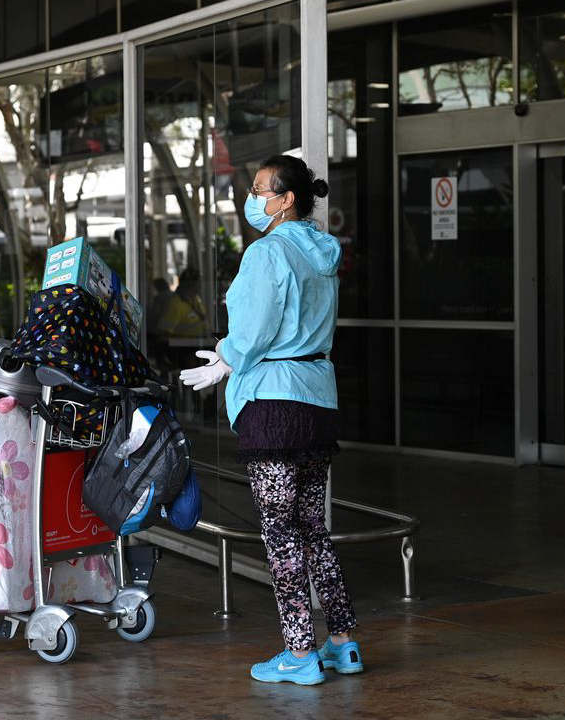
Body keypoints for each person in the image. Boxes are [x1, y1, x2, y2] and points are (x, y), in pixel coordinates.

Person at [180, 154, 361, 686]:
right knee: (313, 529)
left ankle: (299, 652)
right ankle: (342, 641)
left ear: (285, 200)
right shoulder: (323, 255)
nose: (252, 199)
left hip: (274, 406)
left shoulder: (268, 252)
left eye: (261, 191)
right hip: (316, 402)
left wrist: (227, 358)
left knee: (281, 532)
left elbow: (257, 327)